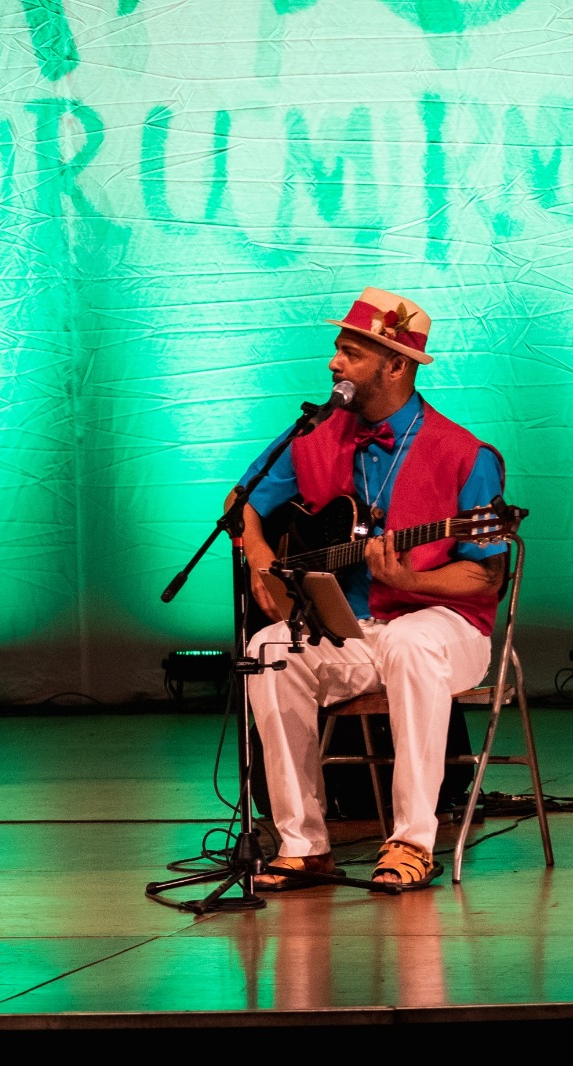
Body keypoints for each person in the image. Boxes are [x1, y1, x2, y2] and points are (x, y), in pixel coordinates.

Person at [232, 287, 507, 892]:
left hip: (448, 628)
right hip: (357, 627)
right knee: (271, 650)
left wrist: (410, 579)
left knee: (411, 640)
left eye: (351, 353)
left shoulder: (465, 455)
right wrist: (260, 562)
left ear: (395, 365)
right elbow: (241, 502)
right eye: (337, 349)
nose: (334, 363)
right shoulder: (316, 431)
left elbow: (485, 574)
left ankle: (411, 842)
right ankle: (304, 845)